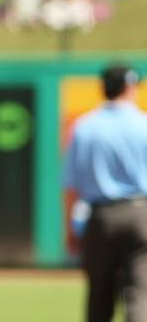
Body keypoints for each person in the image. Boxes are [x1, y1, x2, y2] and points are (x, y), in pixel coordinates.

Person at [64, 64, 147, 322]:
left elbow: (71, 187)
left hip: (99, 217)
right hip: (139, 214)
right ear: (130, 87)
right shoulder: (143, 125)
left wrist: (70, 228)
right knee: (141, 294)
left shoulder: (84, 127)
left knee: (99, 298)